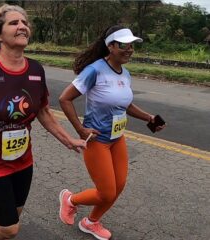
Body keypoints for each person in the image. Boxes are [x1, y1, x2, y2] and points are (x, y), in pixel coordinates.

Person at [0, 4, 87, 240]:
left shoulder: (35, 69)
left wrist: (69, 139)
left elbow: (43, 112)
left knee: (14, 216)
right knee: (10, 229)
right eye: (14, 23)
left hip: (22, 160)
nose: (22, 26)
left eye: (25, 23)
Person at [58, 25, 166, 240]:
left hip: (117, 138)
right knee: (106, 192)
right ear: (110, 46)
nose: (130, 49)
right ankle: (70, 200)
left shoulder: (125, 73)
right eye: (124, 45)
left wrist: (149, 118)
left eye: (132, 45)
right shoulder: (94, 70)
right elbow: (64, 98)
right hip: (97, 139)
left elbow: (125, 104)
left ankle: (91, 222)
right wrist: (80, 129)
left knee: (118, 187)